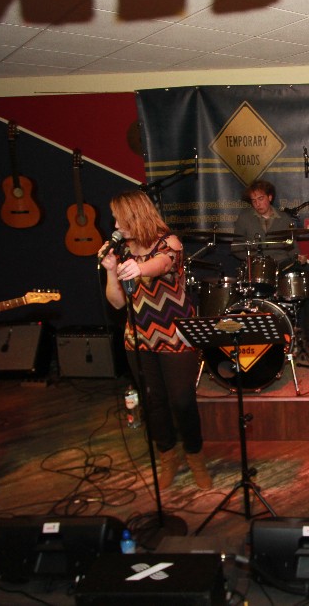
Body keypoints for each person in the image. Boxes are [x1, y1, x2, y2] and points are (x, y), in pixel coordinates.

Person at [100, 190, 211, 490]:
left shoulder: (169, 242)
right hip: (138, 338)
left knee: (182, 401)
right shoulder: (121, 250)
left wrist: (139, 267)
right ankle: (168, 457)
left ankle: (196, 458)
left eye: (119, 219)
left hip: (175, 335)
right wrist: (111, 272)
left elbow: (162, 264)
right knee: (153, 402)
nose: (115, 224)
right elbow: (117, 303)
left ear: (136, 216)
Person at [233, 179, 306, 270]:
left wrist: (298, 257)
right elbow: (236, 247)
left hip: (281, 266)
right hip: (255, 267)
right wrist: (251, 258)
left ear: (270, 197)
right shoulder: (244, 217)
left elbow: (292, 246)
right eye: (254, 201)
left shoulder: (284, 218)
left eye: (260, 199)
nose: (257, 204)